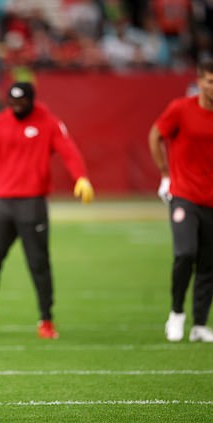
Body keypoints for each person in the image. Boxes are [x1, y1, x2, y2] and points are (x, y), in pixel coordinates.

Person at [0, 81, 94, 340]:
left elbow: (69, 151)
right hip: (2, 204)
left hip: (32, 204)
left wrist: (81, 177)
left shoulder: (48, 122)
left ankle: (46, 320)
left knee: (38, 263)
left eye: (22, 102)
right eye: (13, 102)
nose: (17, 107)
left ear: (32, 101)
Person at [148, 58, 213, 343]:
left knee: (209, 265)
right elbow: (155, 135)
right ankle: (176, 313)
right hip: (184, 194)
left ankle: (200, 324)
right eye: (210, 80)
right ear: (199, 81)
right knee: (185, 253)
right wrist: (165, 173)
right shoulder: (181, 109)